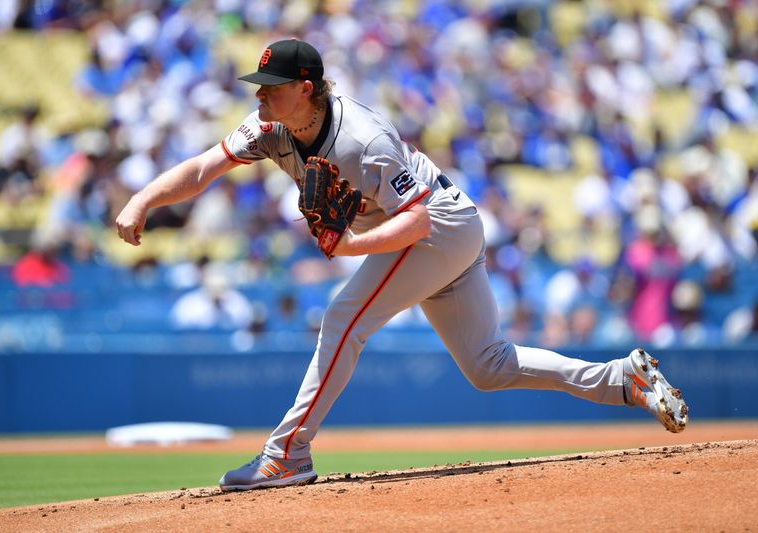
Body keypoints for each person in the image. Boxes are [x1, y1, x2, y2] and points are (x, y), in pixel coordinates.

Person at [115, 39, 689, 492]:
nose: (260, 97)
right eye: (260, 88)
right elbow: (202, 168)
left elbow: (417, 224)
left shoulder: (364, 140)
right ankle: (623, 379)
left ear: (306, 89)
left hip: (438, 226)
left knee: (343, 317)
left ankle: (286, 454)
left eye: (272, 87)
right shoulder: (269, 128)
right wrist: (143, 200)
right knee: (489, 366)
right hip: (438, 232)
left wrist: (345, 249)